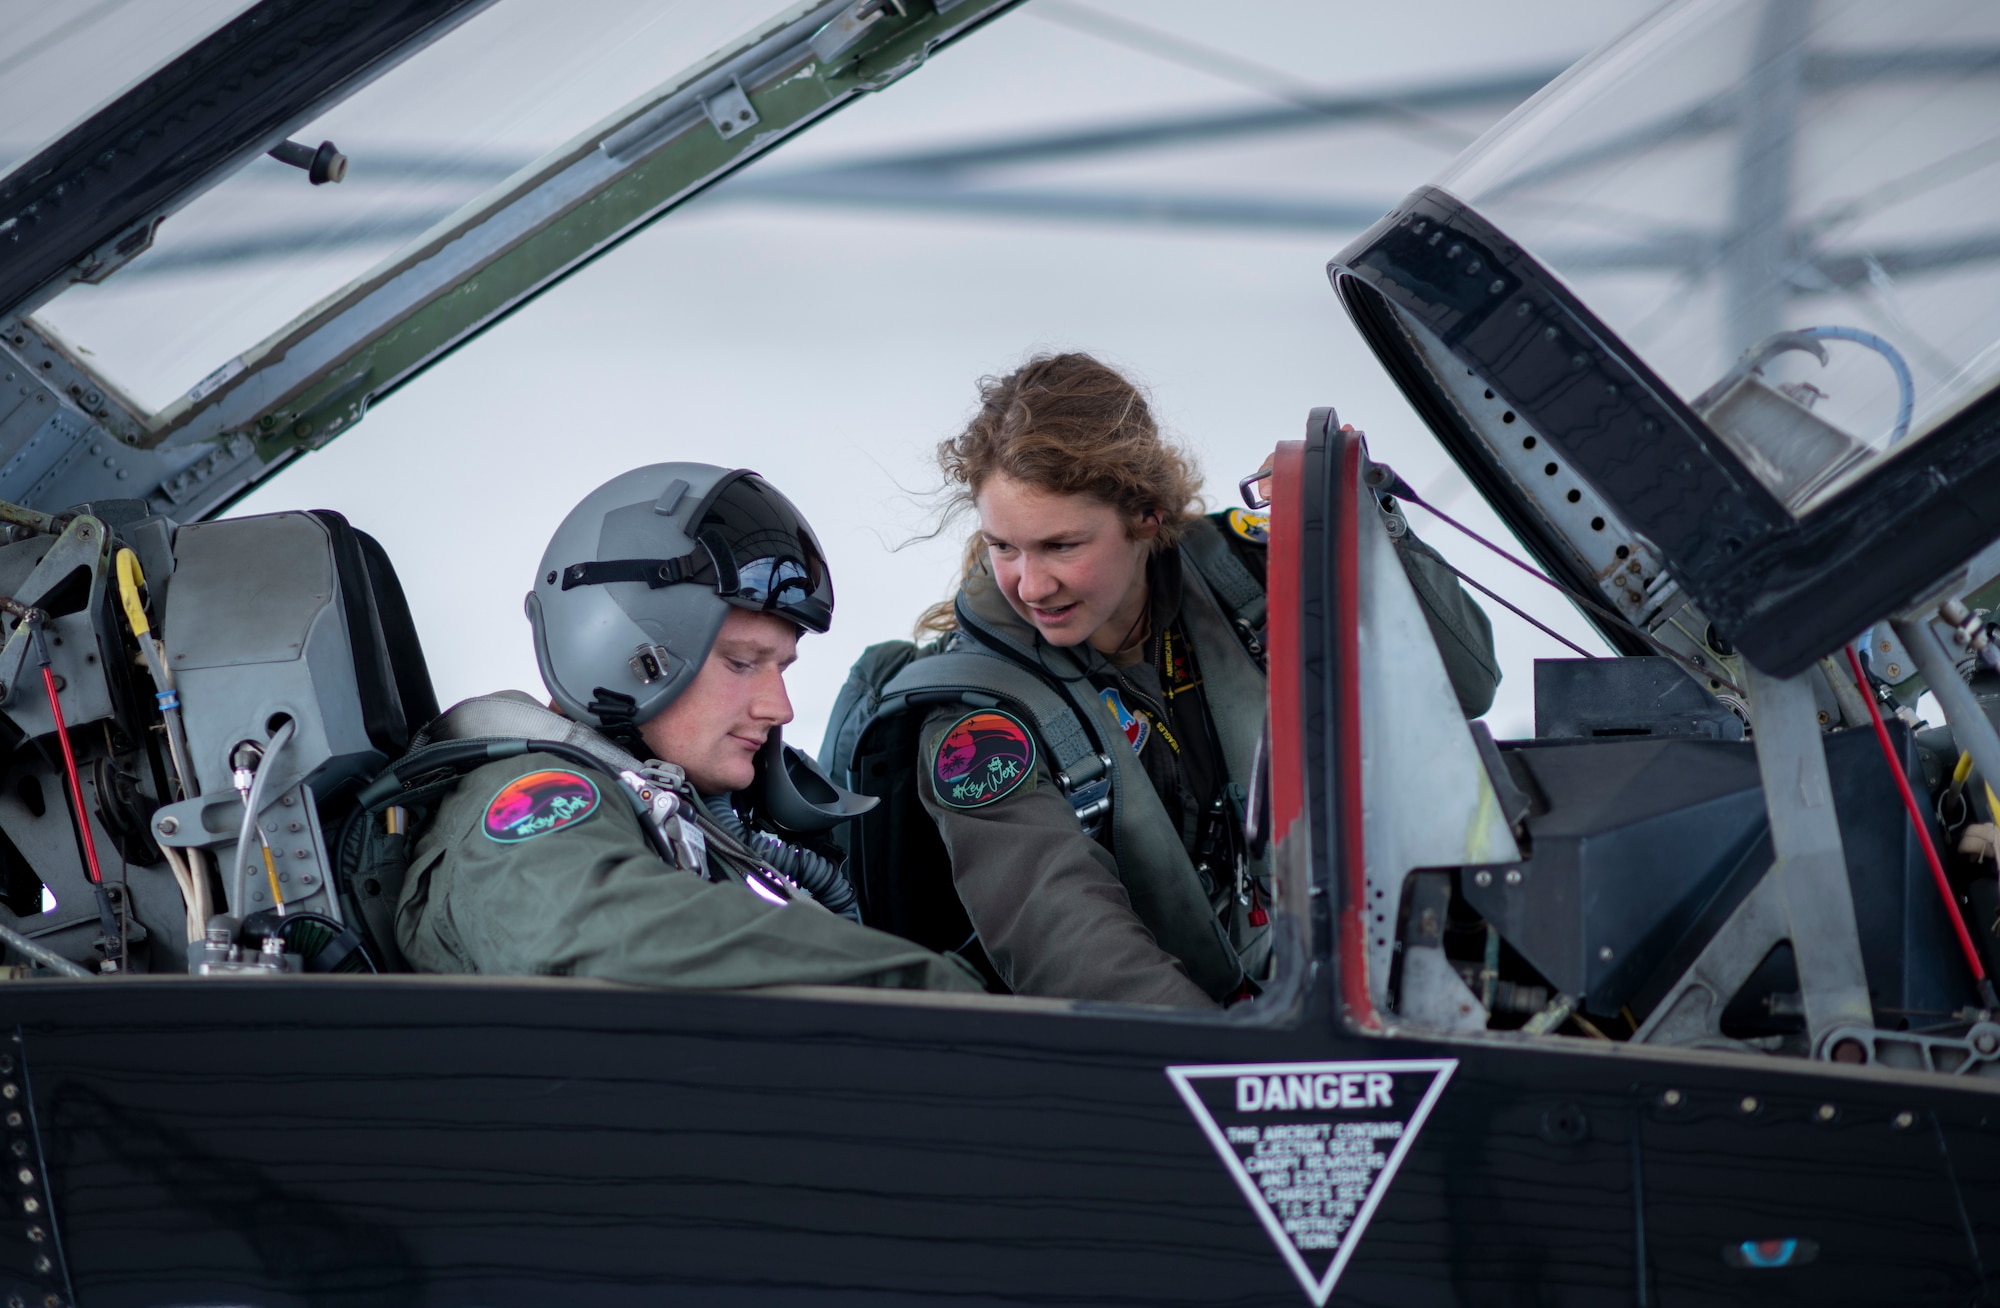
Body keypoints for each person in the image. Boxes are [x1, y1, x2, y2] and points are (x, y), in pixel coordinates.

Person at [901, 353, 1497, 1009]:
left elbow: (1463, 686)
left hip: (1308, 994)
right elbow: (1066, 940)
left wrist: (1367, 527)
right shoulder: (978, 724)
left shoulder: (1245, 580)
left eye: (1062, 545)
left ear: (1147, 517)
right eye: (1005, 546)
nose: (1032, 585)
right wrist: (1239, 1062)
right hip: (1163, 1063)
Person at [393, 462, 983, 994]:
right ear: (625, 654)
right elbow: (608, 932)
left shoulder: (671, 816)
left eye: (780, 668)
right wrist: (924, 992)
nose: (780, 709)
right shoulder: (529, 798)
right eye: (741, 663)